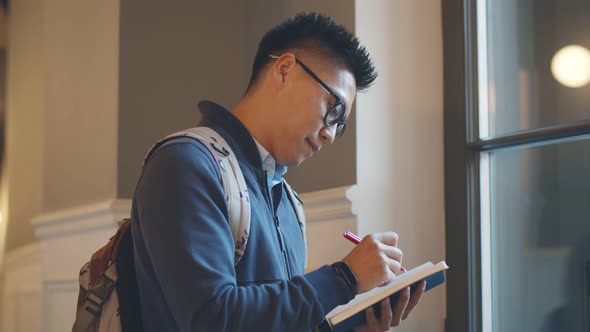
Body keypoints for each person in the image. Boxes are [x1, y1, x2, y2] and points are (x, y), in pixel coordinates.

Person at [130, 12, 426, 332]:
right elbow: (212, 319)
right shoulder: (186, 163)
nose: (329, 134)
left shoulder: (288, 201)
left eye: (340, 125)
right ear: (285, 70)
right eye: (333, 109)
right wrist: (345, 278)